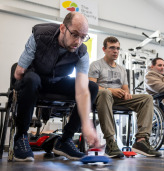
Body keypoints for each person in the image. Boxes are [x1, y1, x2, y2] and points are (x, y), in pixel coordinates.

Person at [13, 12, 100, 161]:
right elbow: (19, 72)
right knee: (31, 79)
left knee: (91, 87)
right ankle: (21, 137)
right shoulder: (40, 35)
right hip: (36, 80)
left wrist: (87, 124)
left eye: (83, 37)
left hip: (58, 82)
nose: (78, 41)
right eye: (74, 34)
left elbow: (82, 90)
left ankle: (64, 140)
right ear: (62, 28)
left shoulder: (82, 52)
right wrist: (26, 88)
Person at [88, 36, 161, 158]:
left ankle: (141, 141)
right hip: (101, 98)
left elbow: (126, 88)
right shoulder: (96, 65)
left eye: (117, 48)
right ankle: (110, 142)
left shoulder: (122, 69)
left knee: (147, 98)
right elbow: (92, 86)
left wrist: (126, 93)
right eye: (112, 48)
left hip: (118, 99)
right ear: (104, 49)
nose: (115, 51)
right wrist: (110, 90)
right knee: (106, 93)